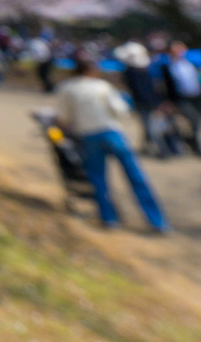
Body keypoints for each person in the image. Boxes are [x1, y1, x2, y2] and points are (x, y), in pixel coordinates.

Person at [56, 58, 168, 232]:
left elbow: (63, 119)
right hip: (112, 133)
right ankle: (158, 222)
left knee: (98, 179)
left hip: (88, 136)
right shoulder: (102, 86)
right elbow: (121, 110)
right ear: (92, 71)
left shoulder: (66, 88)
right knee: (136, 177)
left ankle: (109, 219)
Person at [113, 41, 161, 154]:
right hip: (143, 102)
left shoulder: (140, 71)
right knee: (148, 125)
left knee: (150, 125)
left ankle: (150, 145)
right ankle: (152, 145)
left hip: (147, 102)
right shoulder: (131, 72)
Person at [159, 41, 201, 154]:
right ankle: (196, 145)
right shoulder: (167, 67)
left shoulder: (192, 63)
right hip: (182, 98)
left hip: (197, 97)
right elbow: (166, 86)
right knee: (193, 120)